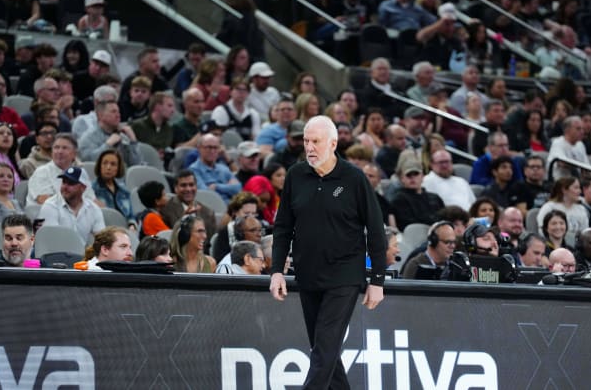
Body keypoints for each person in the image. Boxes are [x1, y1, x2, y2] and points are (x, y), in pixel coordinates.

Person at [269, 115, 385, 389]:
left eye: (316, 141)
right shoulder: (296, 176)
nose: (309, 147)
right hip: (308, 274)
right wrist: (276, 271)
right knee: (324, 351)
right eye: (306, 141)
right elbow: (283, 226)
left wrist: (377, 281)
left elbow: (376, 230)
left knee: (324, 350)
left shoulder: (354, 178)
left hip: (344, 276)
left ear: (333, 143)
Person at [38, 166, 105, 245]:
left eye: (71, 183)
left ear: (83, 187)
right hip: (55, 254)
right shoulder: (50, 206)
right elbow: (52, 242)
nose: (65, 187)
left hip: (82, 255)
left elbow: (102, 239)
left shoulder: (93, 209)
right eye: (64, 182)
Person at [26, 133, 96, 205]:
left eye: (64, 148)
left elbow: (92, 200)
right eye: (56, 147)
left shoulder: (80, 173)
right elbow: (44, 201)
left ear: (74, 153)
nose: (59, 151)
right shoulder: (42, 172)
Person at [78, 101, 141, 167]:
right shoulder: (88, 137)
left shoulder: (124, 137)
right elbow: (88, 161)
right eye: (113, 112)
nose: (118, 115)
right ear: (100, 115)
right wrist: (108, 145)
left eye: (118, 112)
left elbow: (137, 165)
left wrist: (133, 141)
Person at [391, 158, 445, 230]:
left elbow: (444, 218)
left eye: (416, 174)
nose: (412, 178)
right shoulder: (398, 200)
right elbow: (407, 225)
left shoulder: (435, 197)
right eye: (408, 175)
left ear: (422, 176)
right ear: (401, 178)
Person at [189, 133, 241, 202]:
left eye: (215, 148)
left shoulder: (223, 168)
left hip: (231, 208)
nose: (212, 151)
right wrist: (228, 187)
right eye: (209, 147)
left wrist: (216, 187)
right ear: (199, 148)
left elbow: (238, 189)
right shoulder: (193, 170)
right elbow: (206, 194)